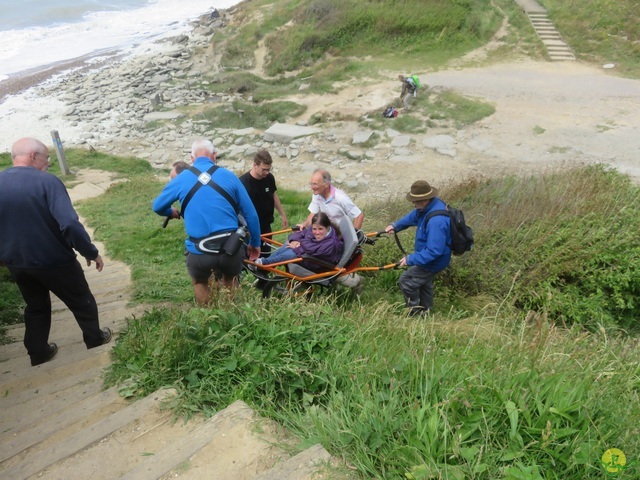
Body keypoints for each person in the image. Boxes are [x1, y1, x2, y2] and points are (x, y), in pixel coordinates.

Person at [0, 138, 112, 366]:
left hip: (18, 262)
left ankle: (38, 352)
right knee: (81, 300)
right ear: (33, 156)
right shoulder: (47, 182)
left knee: (36, 306)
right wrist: (89, 251)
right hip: (54, 260)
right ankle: (95, 339)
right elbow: (69, 224)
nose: (49, 162)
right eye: (46, 157)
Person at [152, 139, 261, 305]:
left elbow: (157, 206)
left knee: (200, 282)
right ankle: (231, 317)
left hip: (199, 250)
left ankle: (208, 320)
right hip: (230, 247)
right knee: (230, 279)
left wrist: (170, 212)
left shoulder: (182, 179)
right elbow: (251, 215)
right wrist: (255, 243)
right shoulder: (229, 176)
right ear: (214, 156)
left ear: (191, 158)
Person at [385, 180, 451, 316]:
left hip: (434, 260)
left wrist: (411, 259)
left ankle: (415, 314)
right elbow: (413, 216)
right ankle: (426, 311)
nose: (414, 204)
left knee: (407, 281)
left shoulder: (436, 221)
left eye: (416, 201)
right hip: (427, 257)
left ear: (426, 199)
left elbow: (434, 251)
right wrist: (396, 226)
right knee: (424, 282)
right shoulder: (427, 207)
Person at [299, 169, 364, 292]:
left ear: (326, 184)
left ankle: (357, 282)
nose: (312, 188)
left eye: (315, 184)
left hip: (338, 237)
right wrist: (303, 225)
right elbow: (313, 213)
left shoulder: (340, 198)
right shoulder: (317, 195)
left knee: (332, 268)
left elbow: (359, 215)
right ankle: (331, 288)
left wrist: (352, 240)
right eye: (311, 184)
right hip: (326, 234)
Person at [239, 149, 288, 257]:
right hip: (249, 226)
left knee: (265, 253)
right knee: (249, 255)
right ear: (255, 165)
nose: (267, 172)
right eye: (264, 170)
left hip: (266, 224)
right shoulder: (243, 182)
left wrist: (282, 214)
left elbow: (273, 195)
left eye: (269, 169)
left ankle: (263, 272)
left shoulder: (269, 178)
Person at [255, 212, 343, 272]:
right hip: (309, 256)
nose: (317, 232)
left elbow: (313, 252)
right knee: (288, 244)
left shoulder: (331, 243)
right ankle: (265, 264)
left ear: (327, 228)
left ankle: (264, 264)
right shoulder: (314, 230)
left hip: (317, 264)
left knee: (292, 253)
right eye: (314, 229)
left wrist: (298, 247)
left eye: (320, 229)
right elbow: (302, 233)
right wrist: (294, 240)